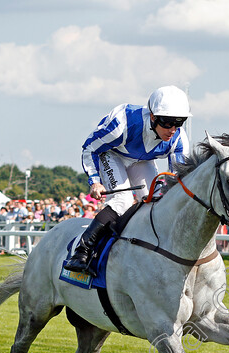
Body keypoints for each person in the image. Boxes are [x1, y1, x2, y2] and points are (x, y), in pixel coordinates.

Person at [66, 85, 191, 274]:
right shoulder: (122, 123)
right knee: (122, 201)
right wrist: (95, 181)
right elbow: (90, 148)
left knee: (157, 203)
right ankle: (82, 252)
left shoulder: (179, 140)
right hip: (112, 155)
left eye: (179, 122)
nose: (172, 129)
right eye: (167, 122)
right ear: (152, 117)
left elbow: (179, 178)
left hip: (143, 161)